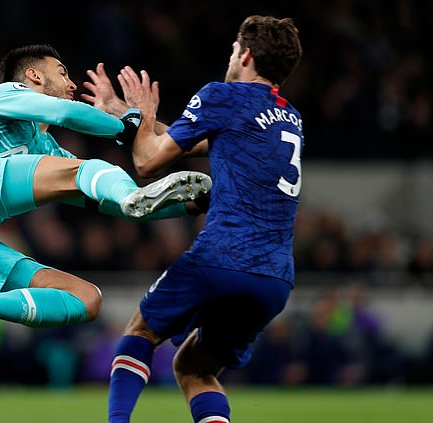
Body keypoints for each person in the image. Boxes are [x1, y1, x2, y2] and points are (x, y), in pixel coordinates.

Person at [84, 16, 303, 423]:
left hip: (220, 257)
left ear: (247, 54)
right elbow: (187, 143)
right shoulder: (290, 118)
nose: (231, 55)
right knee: (194, 369)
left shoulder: (222, 95)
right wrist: (123, 114)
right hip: (274, 277)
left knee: (140, 332)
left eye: (235, 48)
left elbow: (148, 161)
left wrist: (144, 113)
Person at [0, 45, 212, 329]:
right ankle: (134, 191)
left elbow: (112, 204)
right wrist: (129, 124)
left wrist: (193, 203)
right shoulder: (3, 93)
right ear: (34, 75)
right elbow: (65, 113)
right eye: (62, 72)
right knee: (91, 170)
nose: (72, 84)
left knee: (86, 298)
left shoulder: (51, 155)